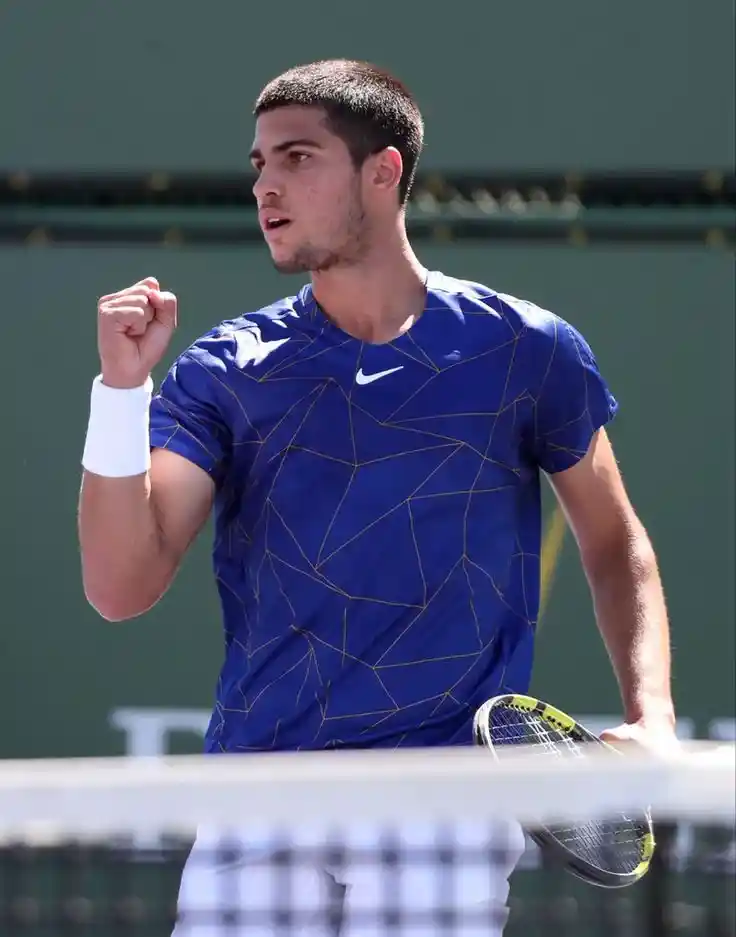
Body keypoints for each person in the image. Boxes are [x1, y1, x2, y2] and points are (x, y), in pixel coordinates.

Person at [78, 59, 677, 936]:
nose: (267, 187)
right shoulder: (223, 370)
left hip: (440, 810)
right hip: (258, 798)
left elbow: (614, 542)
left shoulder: (527, 350)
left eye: (297, 158)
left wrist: (650, 716)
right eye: (258, 166)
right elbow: (119, 586)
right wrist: (121, 392)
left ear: (383, 171)